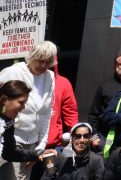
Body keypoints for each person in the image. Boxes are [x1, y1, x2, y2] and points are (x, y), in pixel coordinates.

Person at [0, 40, 57, 180]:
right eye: (40, 60)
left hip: (27, 141)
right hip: (13, 136)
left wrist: (39, 150)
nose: (43, 65)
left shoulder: (50, 77)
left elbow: (46, 113)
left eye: (47, 62)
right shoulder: (13, 72)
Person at [0, 80, 52, 172]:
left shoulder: (7, 123)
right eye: (21, 102)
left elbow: (9, 153)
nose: (23, 107)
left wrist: (38, 153)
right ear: (4, 100)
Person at [88, 52, 121, 146]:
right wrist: (94, 137)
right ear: (115, 67)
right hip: (105, 138)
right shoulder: (105, 87)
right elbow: (94, 114)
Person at [48, 59, 78, 149]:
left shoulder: (63, 83)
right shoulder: (28, 80)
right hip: (28, 143)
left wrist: (75, 134)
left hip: (53, 144)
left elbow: (70, 112)